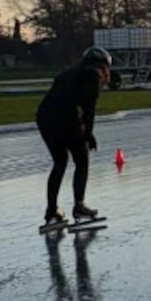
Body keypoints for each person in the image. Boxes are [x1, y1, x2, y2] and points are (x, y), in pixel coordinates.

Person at [37, 47, 111, 229]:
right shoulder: (92, 75)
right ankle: (79, 206)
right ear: (102, 65)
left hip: (45, 118)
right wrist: (88, 135)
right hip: (67, 119)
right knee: (82, 162)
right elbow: (89, 109)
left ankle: (51, 210)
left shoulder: (66, 73)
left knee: (60, 162)